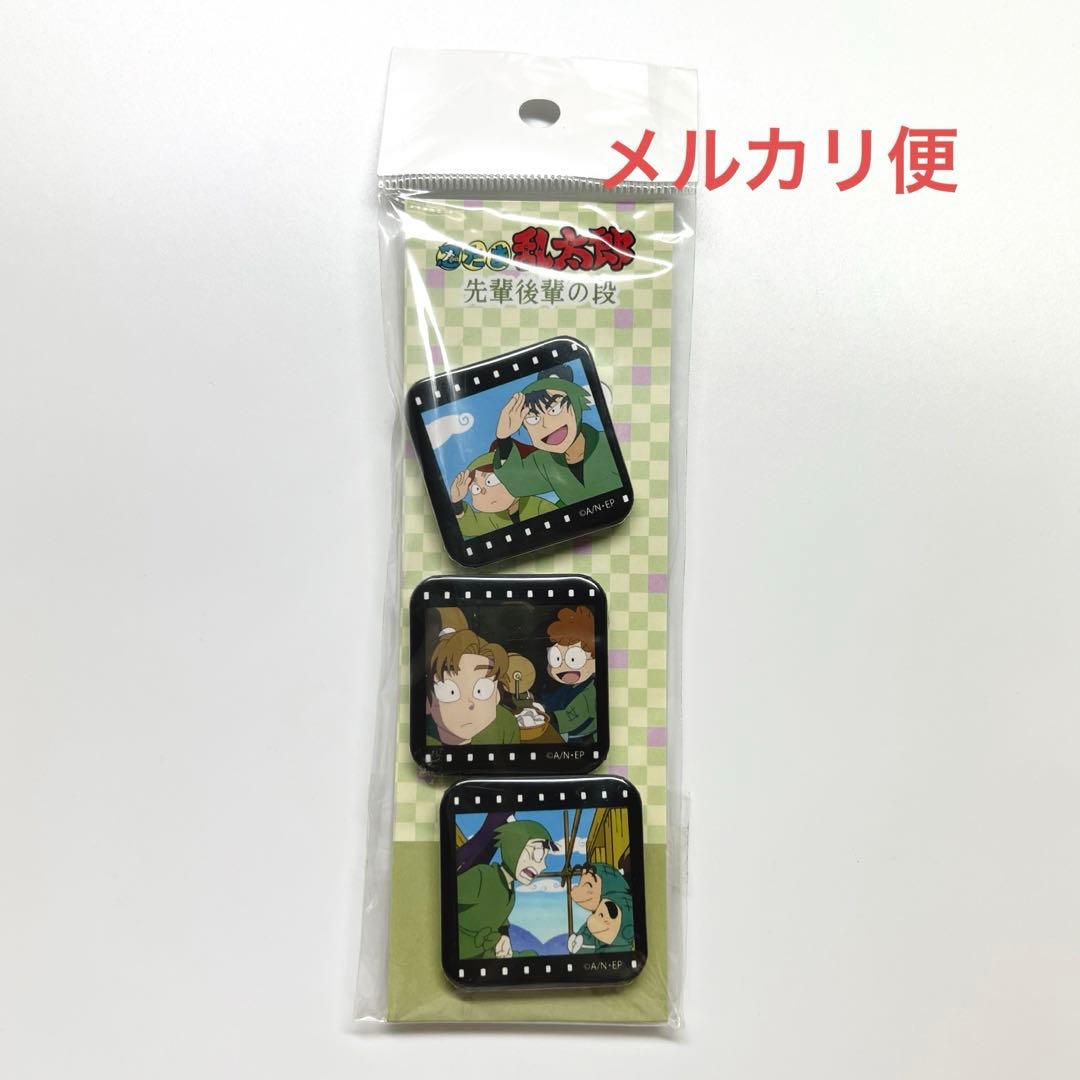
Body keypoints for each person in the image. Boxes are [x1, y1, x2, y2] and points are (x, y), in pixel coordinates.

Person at [491, 365, 621, 507]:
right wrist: (503, 437)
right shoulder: (543, 461)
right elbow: (518, 484)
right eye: (533, 419)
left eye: (555, 409)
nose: (546, 425)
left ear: (575, 405)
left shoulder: (607, 443)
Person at [457, 819, 555, 960]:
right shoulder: (482, 875)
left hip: (487, 954)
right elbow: (448, 900)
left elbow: (500, 920)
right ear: (514, 845)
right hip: (465, 955)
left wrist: (504, 937)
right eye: (538, 853)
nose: (543, 866)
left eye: (544, 857)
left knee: (532, 956)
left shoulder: (510, 890)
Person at [425, 609, 525, 746]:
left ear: (496, 695)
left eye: (481, 690)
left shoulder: (505, 724)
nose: (469, 704)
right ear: (428, 702)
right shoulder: (423, 740)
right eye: (450, 692)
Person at [448, 452, 556, 539]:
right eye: (476, 489)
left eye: (490, 481)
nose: (483, 491)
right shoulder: (491, 518)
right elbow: (470, 526)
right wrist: (456, 502)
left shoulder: (536, 504)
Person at [542, 605, 598, 742]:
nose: (563, 667)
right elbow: (554, 699)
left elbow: (569, 719)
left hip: (579, 741)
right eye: (556, 658)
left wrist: (545, 717)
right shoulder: (569, 687)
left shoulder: (589, 694)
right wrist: (540, 705)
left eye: (573, 659)